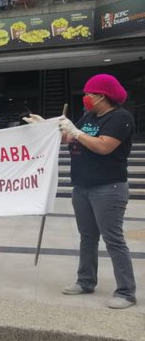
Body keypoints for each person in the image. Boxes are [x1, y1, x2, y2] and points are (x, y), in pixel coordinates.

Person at [54, 74, 136, 309]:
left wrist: (77, 132)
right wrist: (49, 128)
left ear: (102, 96)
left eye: (90, 94)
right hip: (82, 186)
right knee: (87, 237)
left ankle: (126, 292)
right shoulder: (89, 115)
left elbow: (103, 146)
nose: (86, 97)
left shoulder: (120, 118)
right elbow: (68, 138)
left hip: (108, 187)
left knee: (113, 239)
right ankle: (86, 281)